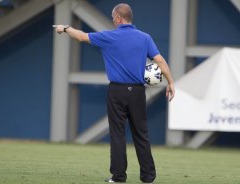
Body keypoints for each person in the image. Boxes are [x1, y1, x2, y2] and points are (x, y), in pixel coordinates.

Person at [53, 3, 175, 183]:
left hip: (117, 90)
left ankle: (118, 177)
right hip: (138, 92)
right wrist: (171, 82)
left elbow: (80, 37)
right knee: (141, 134)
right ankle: (148, 177)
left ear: (118, 18)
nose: (112, 19)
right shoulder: (145, 38)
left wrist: (65, 28)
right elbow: (161, 61)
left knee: (117, 134)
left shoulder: (108, 36)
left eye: (113, 17)